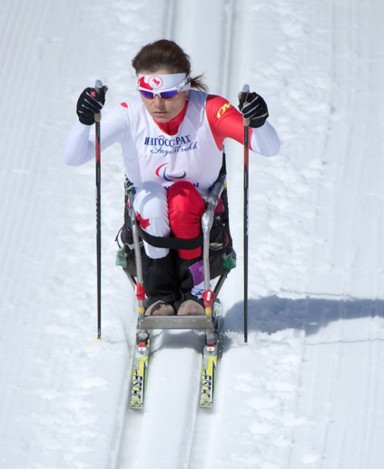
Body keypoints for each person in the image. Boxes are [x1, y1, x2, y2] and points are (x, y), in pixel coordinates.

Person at [64, 39, 280, 316]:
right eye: (147, 94)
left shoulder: (210, 109)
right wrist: (83, 121)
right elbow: (75, 156)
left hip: (199, 206)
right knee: (154, 201)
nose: (157, 105)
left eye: (167, 95)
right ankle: (159, 293)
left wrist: (259, 122)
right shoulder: (130, 113)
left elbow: (268, 147)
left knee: (182, 198)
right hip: (147, 205)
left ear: (185, 88)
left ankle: (195, 290)